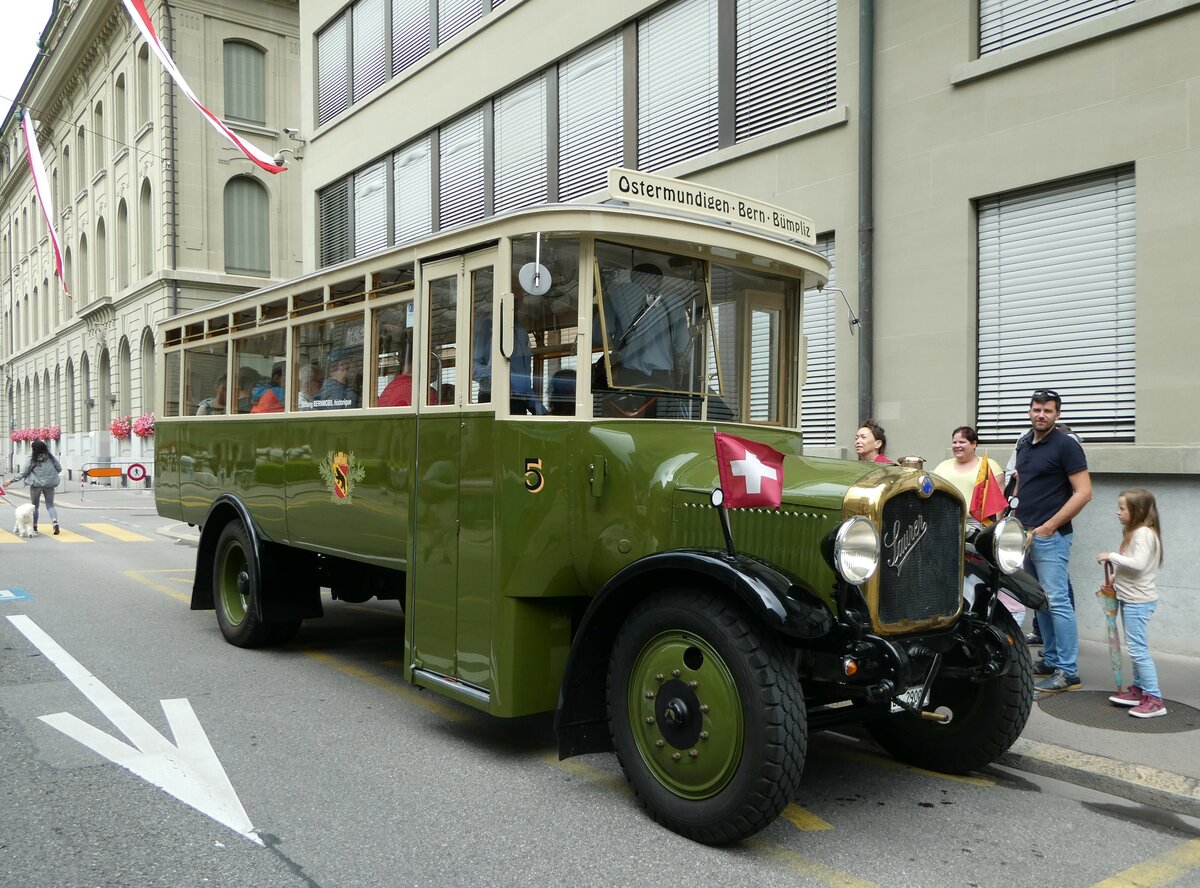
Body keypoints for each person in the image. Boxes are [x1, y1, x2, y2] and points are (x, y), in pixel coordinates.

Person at [1013, 389, 1092, 696]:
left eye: (1047, 410)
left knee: (1057, 601)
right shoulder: (1024, 443)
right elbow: (1022, 483)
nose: (1041, 414)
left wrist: (1048, 528)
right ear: (1030, 411)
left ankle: (1068, 672)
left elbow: (1084, 492)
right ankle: (1051, 660)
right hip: (1025, 534)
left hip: (1050, 536)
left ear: (1057, 414)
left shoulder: (1066, 445)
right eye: (1036, 409)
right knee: (1039, 601)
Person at [935, 426, 1023, 620]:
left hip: (978, 525)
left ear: (974, 444)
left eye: (962, 442)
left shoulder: (988, 465)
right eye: (955, 442)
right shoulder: (942, 467)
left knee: (977, 572)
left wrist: (993, 531)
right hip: (948, 525)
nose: (957, 446)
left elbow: (997, 501)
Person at [1098, 488, 1167, 718]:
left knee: (1138, 651)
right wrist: (1114, 577)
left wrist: (1110, 556)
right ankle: (1139, 690)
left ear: (1137, 511)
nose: (1117, 512)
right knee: (1136, 649)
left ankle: (1154, 698)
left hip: (1139, 601)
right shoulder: (1136, 532)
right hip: (1131, 599)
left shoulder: (1143, 534)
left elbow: (1137, 563)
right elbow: (1135, 567)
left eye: (1122, 508)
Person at [11, 439, 63, 536]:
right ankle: (55, 522)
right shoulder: (51, 458)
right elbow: (59, 469)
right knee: (50, 505)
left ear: (34, 449)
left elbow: (23, 473)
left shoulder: (32, 459)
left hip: (36, 485)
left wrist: (11, 481)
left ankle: (34, 526)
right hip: (49, 485)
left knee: (35, 506)